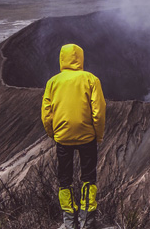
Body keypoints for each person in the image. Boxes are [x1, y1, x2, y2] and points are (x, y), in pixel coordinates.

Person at [42, 43, 106, 229]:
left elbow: (46, 113)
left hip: (62, 137)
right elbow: (99, 111)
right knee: (88, 177)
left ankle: (69, 221)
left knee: (65, 179)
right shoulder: (91, 79)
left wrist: (52, 133)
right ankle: (86, 220)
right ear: (80, 58)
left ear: (62, 59)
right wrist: (98, 135)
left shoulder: (53, 82)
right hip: (87, 137)